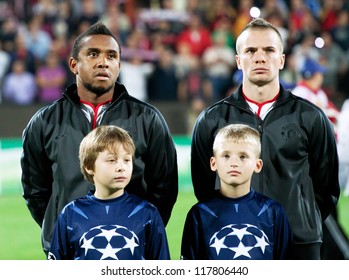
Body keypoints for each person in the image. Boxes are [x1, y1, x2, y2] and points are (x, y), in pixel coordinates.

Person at [21, 22, 178, 256]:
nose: (103, 62)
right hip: (69, 251)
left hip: (131, 250)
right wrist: (64, 230)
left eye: (111, 56)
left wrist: (139, 232)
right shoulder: (44, 121)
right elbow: (36, 190)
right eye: (93, 54)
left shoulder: (148, 118)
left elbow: (164, 188)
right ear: (74, 64)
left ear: (119, 65)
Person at [191, 18, 340, 260]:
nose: (260, 57)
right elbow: (204, 186)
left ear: (281, 59)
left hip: (299, 245)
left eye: (269, 50)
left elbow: (326, 187)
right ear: (239, 60)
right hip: (234, 244)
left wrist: (301, 221)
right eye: (250, 51)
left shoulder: (310, 116)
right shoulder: (212, 119)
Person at [48, 125, 170, 260]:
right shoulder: (70, 214)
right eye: (112, 160)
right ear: (89, 167)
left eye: (127, 160)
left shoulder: (147, 213)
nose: (121, 167)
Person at [182, 124, 293, 260]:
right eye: (226, 155)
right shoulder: (199, 213)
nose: (234, 163)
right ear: (213, 163)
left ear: (257, 165)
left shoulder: (273, 211)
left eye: (243, 156)